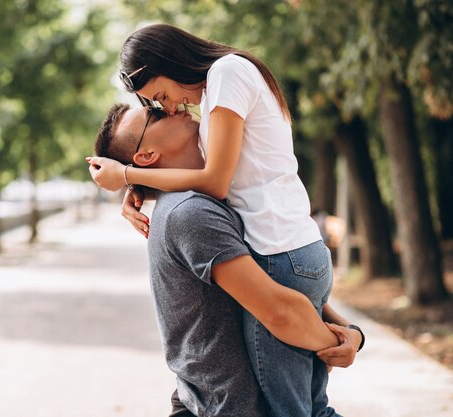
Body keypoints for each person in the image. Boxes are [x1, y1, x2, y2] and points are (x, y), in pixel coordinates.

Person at [87, 24, 350, 417]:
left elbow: (214, 180)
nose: (172, 107)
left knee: (302, 410)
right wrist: (135, 183)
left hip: (283, 256)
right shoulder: (192, 212)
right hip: (231, 392)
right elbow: (274, 300)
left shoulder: (225, 76)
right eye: (157, 109)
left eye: (159, 100)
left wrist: (130, 178)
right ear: (146, 155)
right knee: (307, 410)